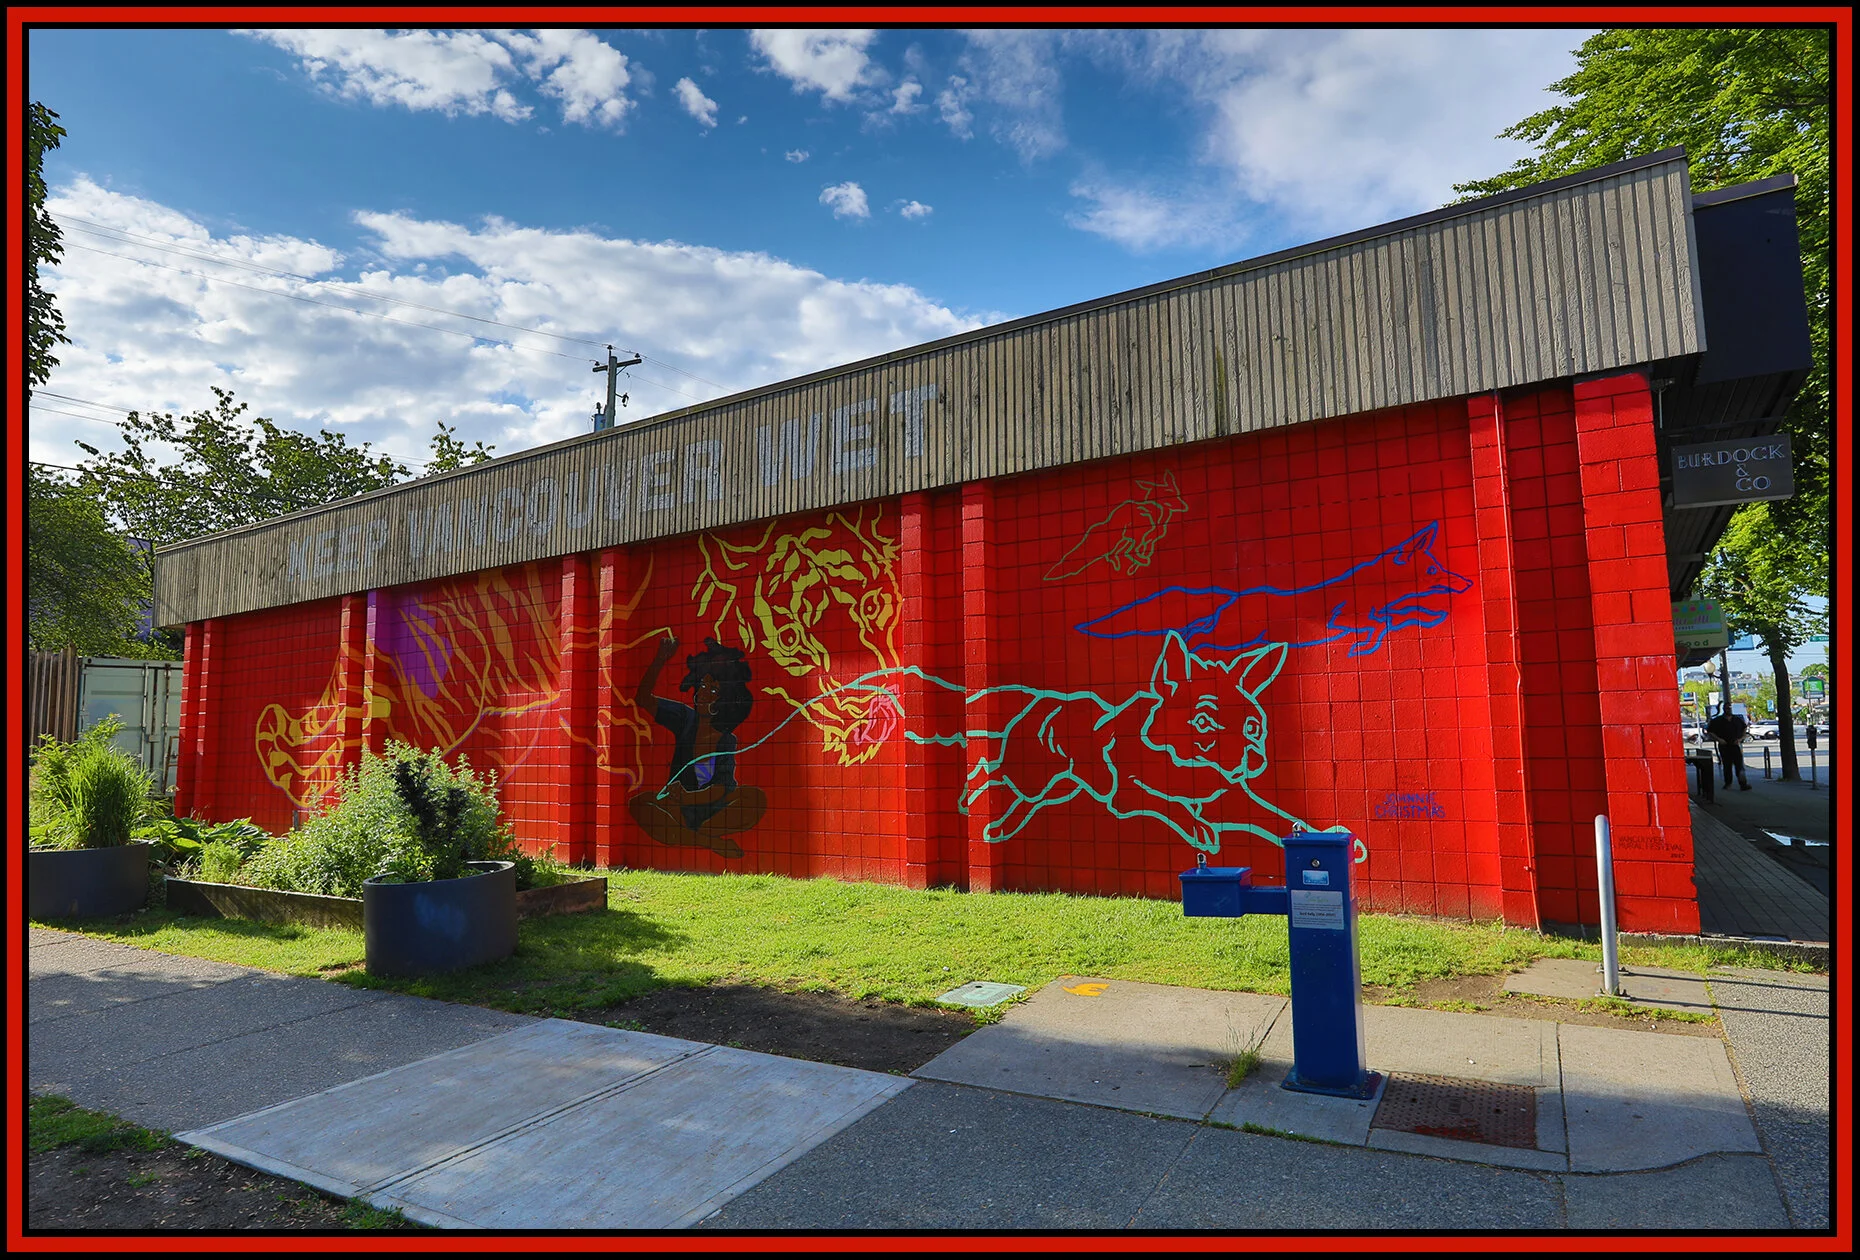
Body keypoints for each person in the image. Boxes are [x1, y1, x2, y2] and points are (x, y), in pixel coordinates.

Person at [627, 634, 767, 856]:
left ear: (725, 699)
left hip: (713, 811)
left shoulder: (726, 740)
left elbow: (721, 788)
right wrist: (660, 659)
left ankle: (694, 835)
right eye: (702, 685)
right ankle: (708, 841)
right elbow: (643, 698)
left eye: (713, 690)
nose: (702, 693)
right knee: (639, 804)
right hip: (681, 809)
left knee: (754, 798)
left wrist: (687, 797)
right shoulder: (685, 719)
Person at [1705, 706, 1751, 791]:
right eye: (1727, 708)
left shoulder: (1736, 719)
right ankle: (1728, 783)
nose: (1729, 710)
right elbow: (1710, 731)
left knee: (1739, 765)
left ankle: (1743, 784)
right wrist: (1719, 739)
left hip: (1735, 745)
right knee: (1727, 765)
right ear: (1724, 709)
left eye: (1730, 708)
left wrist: (1740, 739)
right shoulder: (1718, 720)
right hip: (1724, 745)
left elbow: (1744, 728)